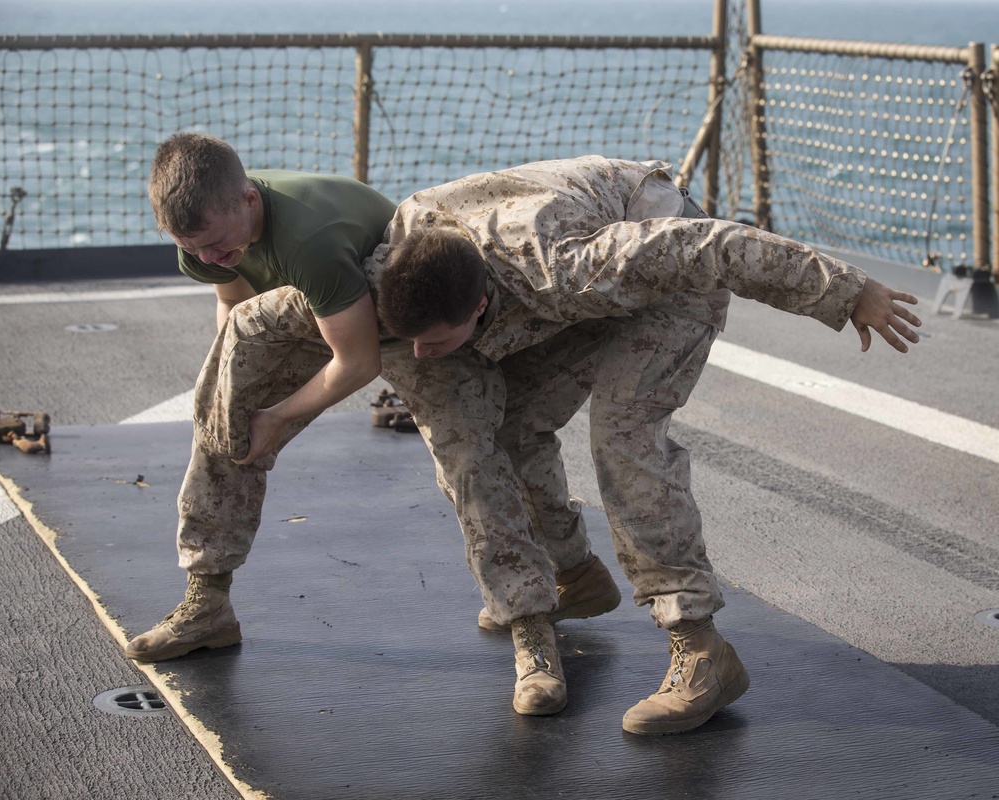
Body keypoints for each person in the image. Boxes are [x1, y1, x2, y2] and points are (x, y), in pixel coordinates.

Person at [365, 155, 921, 733]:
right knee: (508, 426)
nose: (422, 355)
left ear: (478, 306)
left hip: (669, 268)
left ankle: (702, 650)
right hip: (553, 276)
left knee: (623, 434)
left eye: (435, 342)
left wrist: (847, 290)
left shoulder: (571, 268)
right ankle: (571, 574)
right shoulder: (397, 258)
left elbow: (712, 247)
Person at [125, 133, 396, 662]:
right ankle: (208, 607)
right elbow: (233, 300)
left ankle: (550, 592)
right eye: (194, 248)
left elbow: (361, 362)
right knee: (224, 418)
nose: (209, 257)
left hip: (396, 303)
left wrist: (277, 417)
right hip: (317, 307)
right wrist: (231, 390)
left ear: (249, 199)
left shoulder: (308, 238)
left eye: (219, 245)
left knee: (470, 450)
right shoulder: (206, 243)